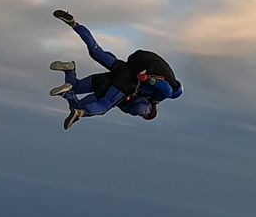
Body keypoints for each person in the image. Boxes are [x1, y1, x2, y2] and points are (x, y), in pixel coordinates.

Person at [49, 9, 183, 130]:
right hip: (124, 84)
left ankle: (75, 28)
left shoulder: (160, 82)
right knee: (101, 106)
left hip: (123, 68)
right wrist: (147, 79)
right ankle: (79, 110)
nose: (143, 115)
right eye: (145, 115)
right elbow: (163, 90)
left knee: (97, 53)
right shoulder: (163, 95)